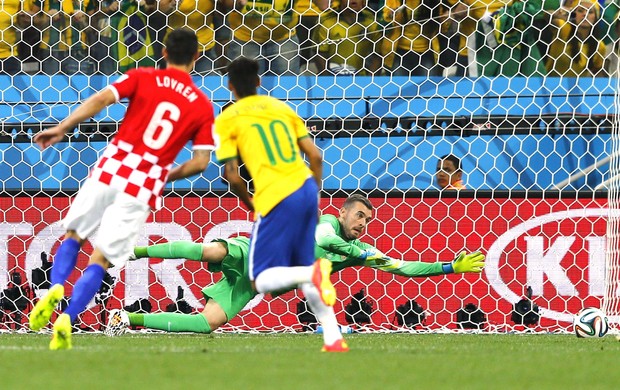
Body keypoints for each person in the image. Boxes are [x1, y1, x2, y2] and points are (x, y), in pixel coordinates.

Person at [29, 28, 216, 350]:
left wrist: (62, 127)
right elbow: (200, 163)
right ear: (197, 58)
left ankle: (57, 285)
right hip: (142, 186)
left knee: (75, 235)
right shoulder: (202, 105)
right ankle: (68, 320)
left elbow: (102, 99)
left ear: (163, 52)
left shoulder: (143, 76)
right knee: (100, 259)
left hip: (111, 167)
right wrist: (159, 175)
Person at [104, 194, 485, 336]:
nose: (362, 223)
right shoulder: (327, 227)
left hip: (254, 284)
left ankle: (126, 319)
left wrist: (450, 267)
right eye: (358, 216)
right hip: (253, 253)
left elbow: (401, 268)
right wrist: (354, 252)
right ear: (343, 212)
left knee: (209, 324)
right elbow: (321, 238)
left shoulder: (354, 250)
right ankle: (132, 252)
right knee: (211, 252)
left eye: (367, 221)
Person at [213, 56, 345, 352]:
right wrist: (314, 195)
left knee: (261, 279)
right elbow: (316, 157)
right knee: (306, 265)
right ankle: (333, 337)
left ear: (230, 86)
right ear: (260, 83)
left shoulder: (226, 119)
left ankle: (312, 275)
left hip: (274, 196)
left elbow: (232, 176)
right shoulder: (282, 108)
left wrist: (253, 204)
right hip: (306, 189)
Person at [313, 0, 383, 75]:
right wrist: (327, 78)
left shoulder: (372, 22)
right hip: (333, 77)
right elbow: (320, 54)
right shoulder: (327, 22)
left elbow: (378, 54)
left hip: (361, 78)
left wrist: (370, 79)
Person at [545, 0, 606, 77]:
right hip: (552, 84)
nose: (585, 14)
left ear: (595, 18)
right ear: (574, 15)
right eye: (580, 11)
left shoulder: (600, 46)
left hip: (579, 87)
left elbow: (598, 72)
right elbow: (548, 15)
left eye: (590, 12)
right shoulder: (564, 29)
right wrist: (565, 17)